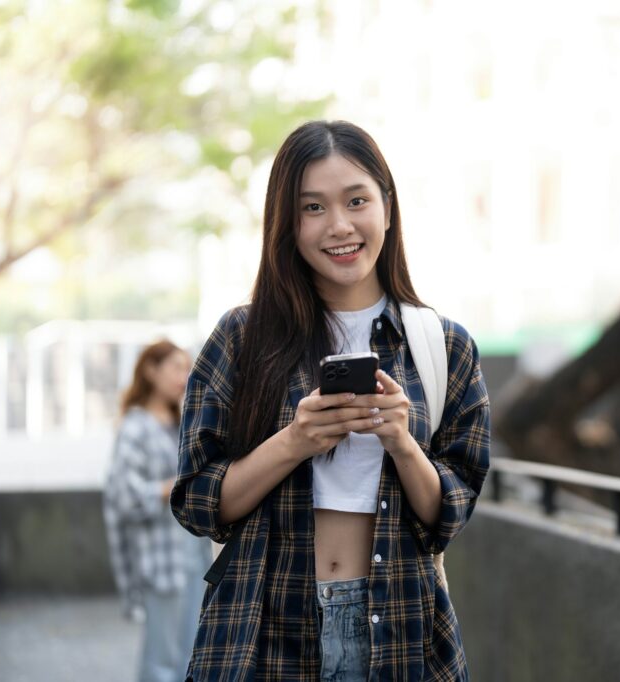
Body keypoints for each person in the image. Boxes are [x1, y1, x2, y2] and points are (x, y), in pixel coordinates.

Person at [171, 120, 490, 681]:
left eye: (356, 200)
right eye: (312, 207)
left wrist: (402, 441)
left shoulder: (444, 345)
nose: (339, 225)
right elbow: (198, 502)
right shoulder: (243, 339)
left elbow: (451, 513)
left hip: (400, 628)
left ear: (387, 207)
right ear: (286, 224)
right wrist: (295, 441)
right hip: (265, 629)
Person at [103, 339, 212, 682]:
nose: (184, 376)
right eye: (176, 367)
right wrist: (171, 487)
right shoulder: (136, 426)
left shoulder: (182, 421)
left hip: (193, 555)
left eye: (186, 368)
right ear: (151, 371)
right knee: (161, 659)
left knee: (190, 652)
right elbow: (123, 495)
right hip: (160, 558)